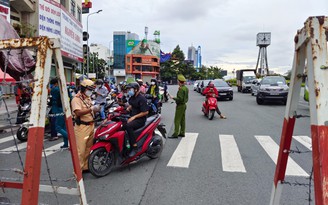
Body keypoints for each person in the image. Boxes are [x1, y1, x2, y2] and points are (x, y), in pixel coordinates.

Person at [71, 79, 100, 172]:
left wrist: (95, 109)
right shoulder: (76, 99)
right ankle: (78, 171)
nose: (91, 91)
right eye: (89, 89)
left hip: (91, 125)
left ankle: (85, 166)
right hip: (82, 127)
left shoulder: (87, 98)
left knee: (88, 148)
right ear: (84, 88)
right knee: (81, 150)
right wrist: (91, 109)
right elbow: (78, 112)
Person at [123, 82, 149, 157]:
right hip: (132, 116)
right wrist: (128, 108)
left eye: (130, 89)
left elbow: (145, 112)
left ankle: (134, 147)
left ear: (136, 89)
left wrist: (134, 117)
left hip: (140, 119)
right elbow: (133, 105)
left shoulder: (142, 99)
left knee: (128, 126)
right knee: (121, 125)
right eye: (128, 89)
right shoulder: (132, 98)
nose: (128, 91)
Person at [50, 78, 69, 148]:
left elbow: (51, 97)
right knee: (64, 127)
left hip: (58, 109)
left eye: (51, 84)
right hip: (65, 109)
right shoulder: (65, 88)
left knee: (58, 127)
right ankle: (66, 144)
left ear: (55, 84)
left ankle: (70, 138)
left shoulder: (55, 90)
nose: (51, 86)